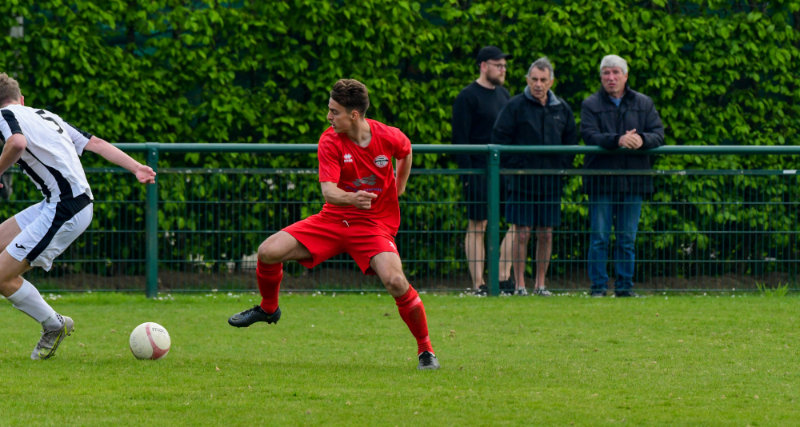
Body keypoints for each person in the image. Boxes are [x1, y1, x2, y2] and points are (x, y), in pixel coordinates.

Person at [228, 79, 439, 370]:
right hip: (333, 220)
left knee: (395, 281)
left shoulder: (387, 136)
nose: (329, 116)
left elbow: (406, 150)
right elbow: (329, 192)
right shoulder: (329, 140)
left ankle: (426, 350)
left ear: (354, 114)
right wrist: (353, 198)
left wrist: (399, 184)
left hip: (374, 225)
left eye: (334, 111)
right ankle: (268, 309)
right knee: (267, 252)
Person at [0, 72, 156, 359]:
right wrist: (136, 167)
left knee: (2, 276)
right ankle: (52, 323)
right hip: (61, 203)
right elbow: (96, 143)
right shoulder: (47, 116)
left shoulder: (6, 115)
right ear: (22, 99)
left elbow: (17, 143)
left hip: (65, 208)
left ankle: (53, 325)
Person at [580, 55, 664, 297]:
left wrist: (641, 140)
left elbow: (658, 134)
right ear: (600, 77)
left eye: (616, 72)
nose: (611, 77)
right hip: (601, 180)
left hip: (634, 180)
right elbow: (589, 135)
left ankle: (625, 288)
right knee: (599, 237)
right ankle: (598, 287)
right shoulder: (590, 104)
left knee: (627, 238)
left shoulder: (644, 103)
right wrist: (618, 140)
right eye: (606, 73)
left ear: (626, 76)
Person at [493, 57, 577, 296]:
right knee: (521, 233)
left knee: (546, 233)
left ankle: (541, 284)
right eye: (534, 79)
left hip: (550, 181)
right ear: (527, 80)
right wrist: (518, 167)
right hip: (522, 180)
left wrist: (560, 169)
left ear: (551, 82)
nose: (538, 84)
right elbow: (500, 137)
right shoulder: (515, 106)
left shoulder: (562, 109)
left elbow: (571, 142)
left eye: (543, 80)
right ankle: (520, 284)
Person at [452, 45, 516, 296]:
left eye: (504, 66)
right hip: (478, 171)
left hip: (504, 171)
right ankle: (478, 283)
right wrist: (468, 175)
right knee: (478, 224)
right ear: (483, 66)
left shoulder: (505, 95)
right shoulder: (467, 96)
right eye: (498, 65)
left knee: (516, 222)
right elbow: (460, 139)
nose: (503, 70)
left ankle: (502, 276)